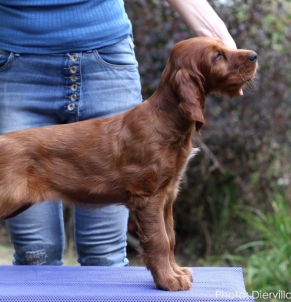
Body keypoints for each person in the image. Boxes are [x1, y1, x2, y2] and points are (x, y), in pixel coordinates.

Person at [0, 0, 236, 266]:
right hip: (16, 64)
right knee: (36, 255)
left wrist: (221, 41)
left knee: (105, 253)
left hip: (106, 62)